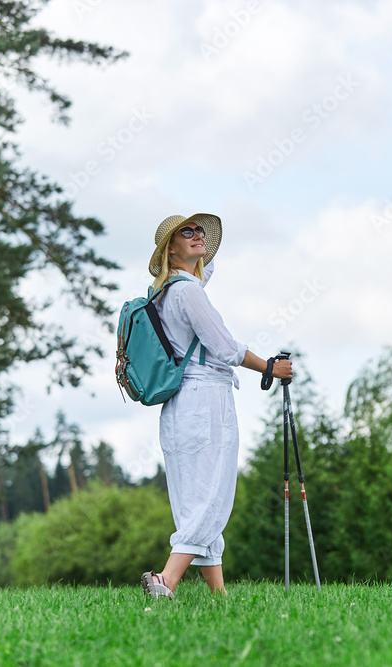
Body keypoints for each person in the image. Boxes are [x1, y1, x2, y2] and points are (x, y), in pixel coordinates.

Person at [140, 213, 291, 599]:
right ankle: (166, 581)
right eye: (186, 232)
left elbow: (204, 274)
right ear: (170, 247)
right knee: (212, 499)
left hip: (177, 407)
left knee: (196, 499)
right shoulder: (189, 293)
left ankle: (219, 598)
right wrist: (271, 367)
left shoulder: (163, 293)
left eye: (200, 232)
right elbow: (225, 348)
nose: (197, 236)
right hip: (206, 402)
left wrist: (198, 260)